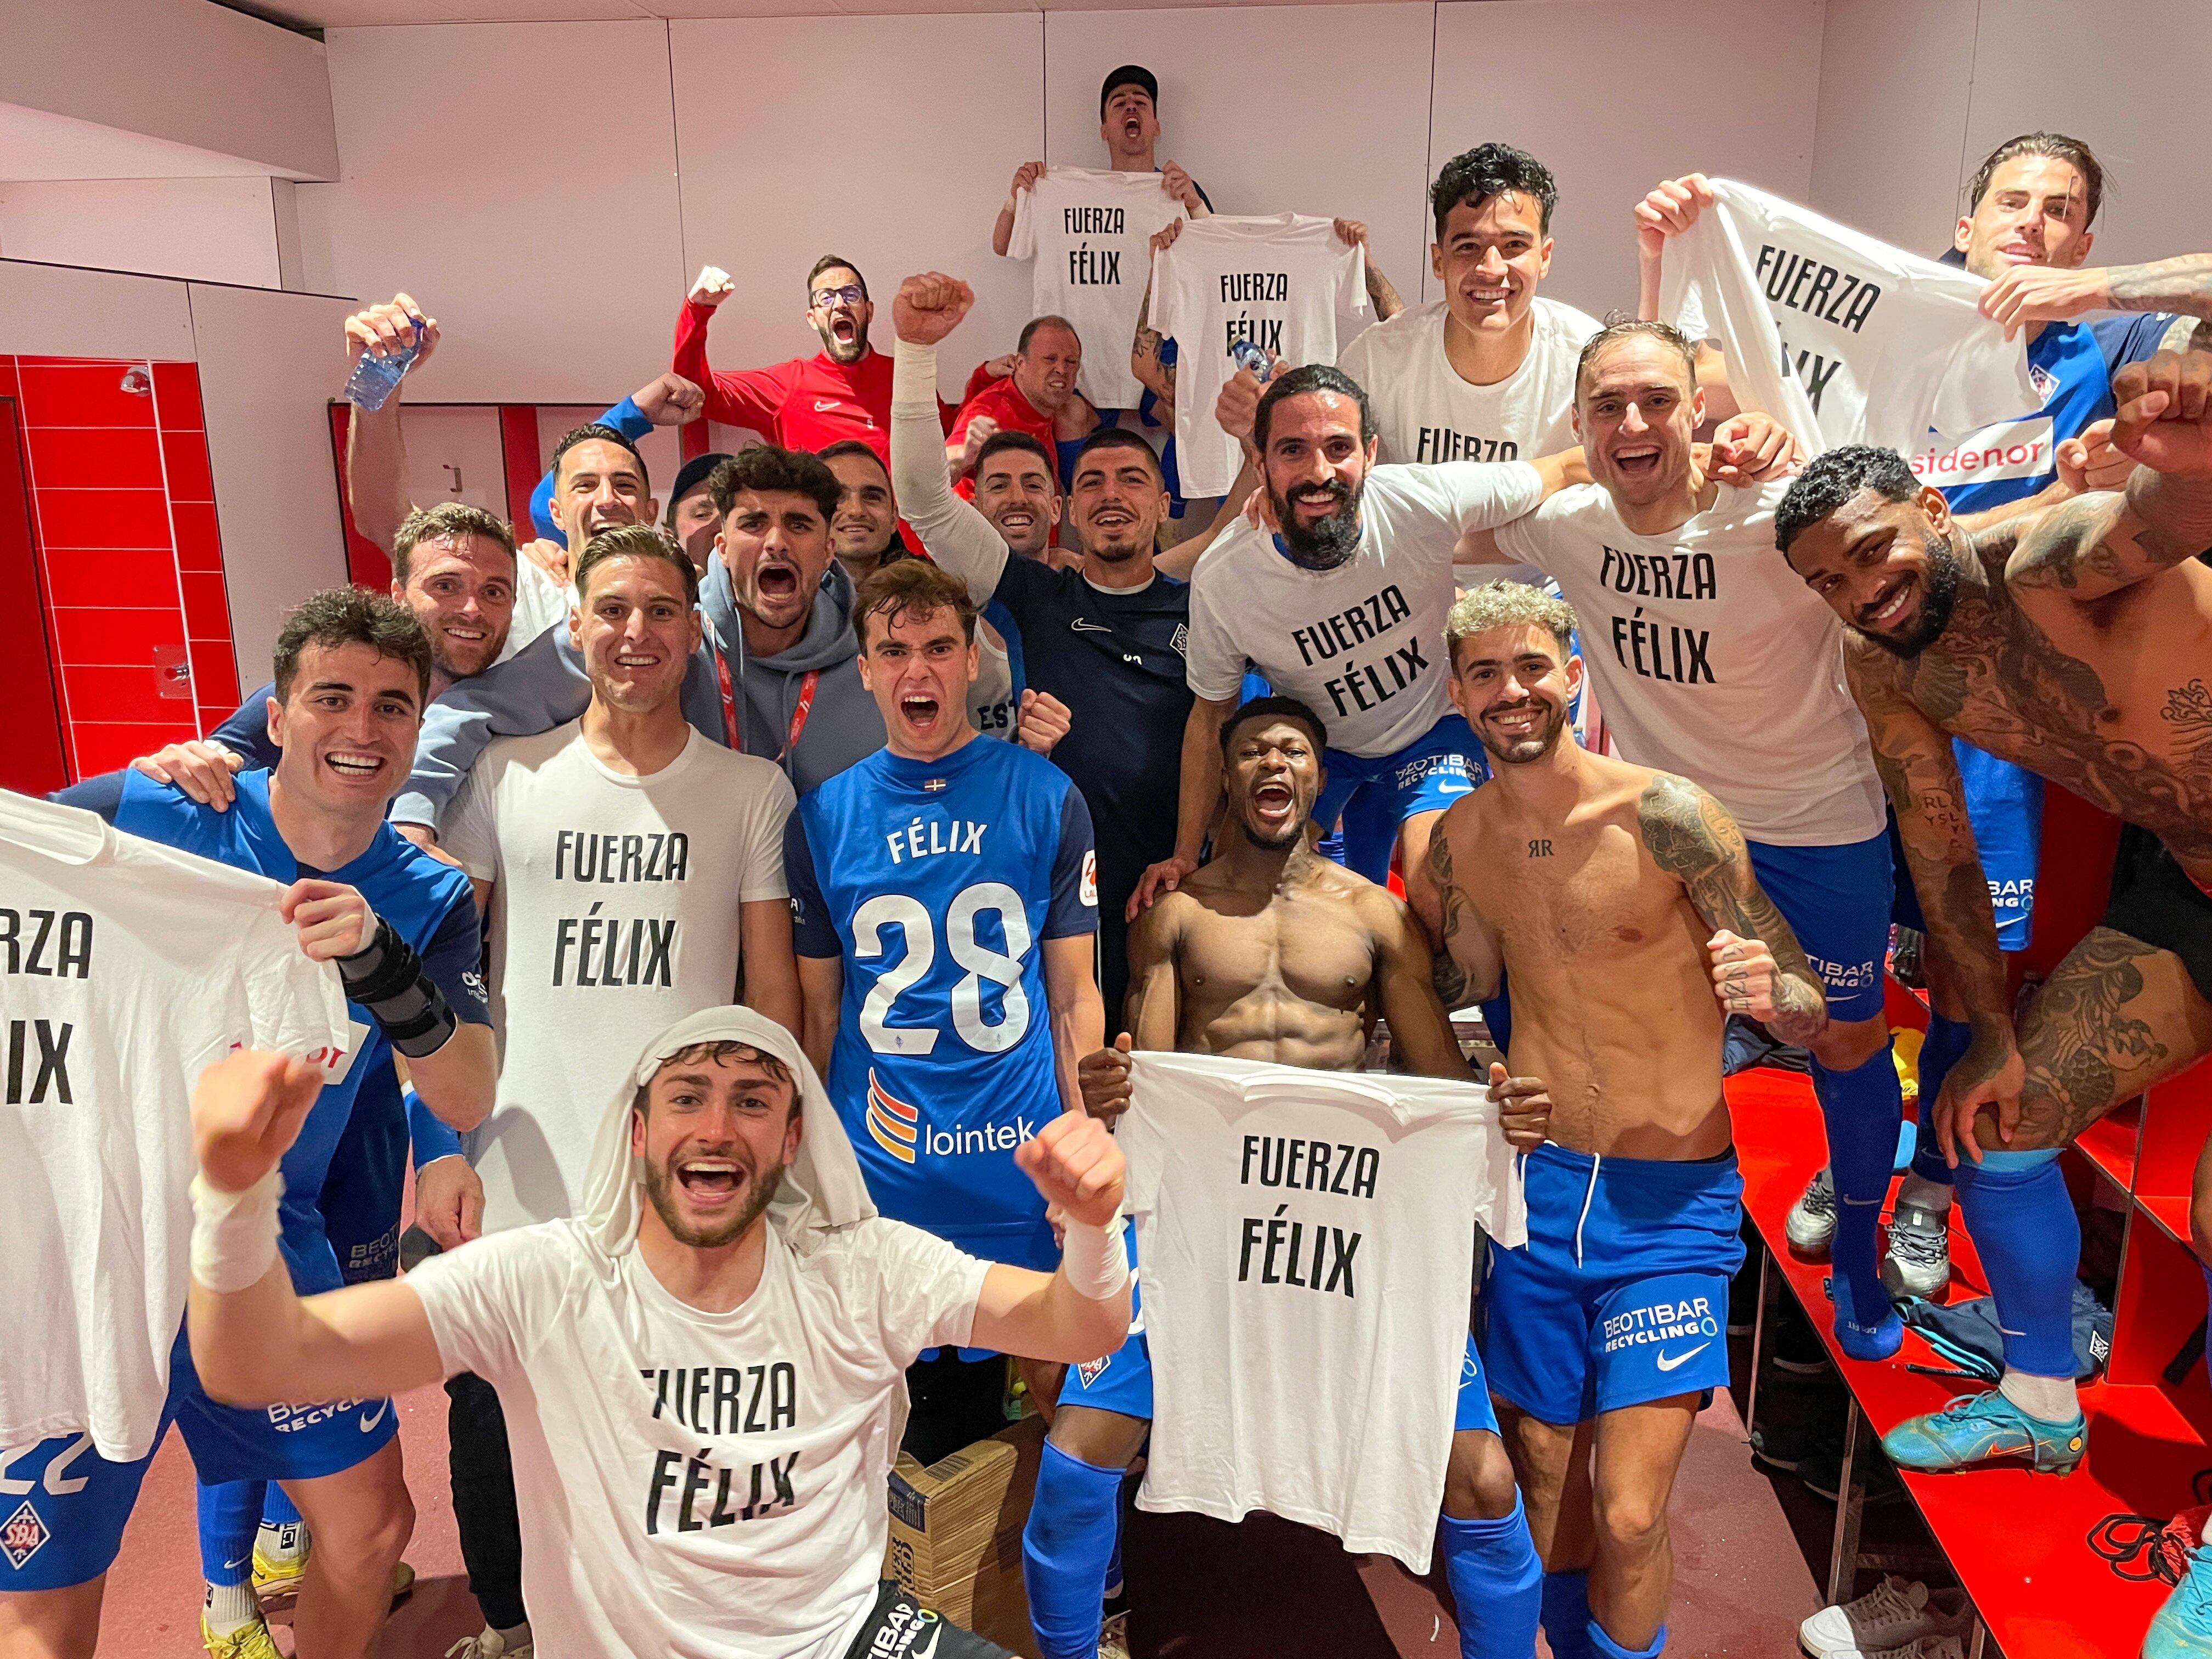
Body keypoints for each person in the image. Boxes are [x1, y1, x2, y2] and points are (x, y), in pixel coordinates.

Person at [1635, 134, 2208, 1300]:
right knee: (1918, 977)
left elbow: (2155, 503)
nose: (2034, 226)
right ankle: (1878, 1164)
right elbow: (1723, 406)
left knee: (1973, 980)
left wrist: (2113, 311)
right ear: (1966, 221)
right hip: (1918, 706)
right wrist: (1674, 269)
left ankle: (1928, 1194)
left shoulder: (2099, 376)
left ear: (2085, 243)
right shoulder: (1886, 341)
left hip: (2038, 684)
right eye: (2013, 202)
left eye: (2063, 214)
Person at [178, 1002, 1133, 1659]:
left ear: (792, 1139)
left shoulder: (866, 1265)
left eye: (752, 1100)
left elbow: (1082, 1317)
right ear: (638, 1132)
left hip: (837, 1637)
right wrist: (231, 1192)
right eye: (687, 1096)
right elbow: (253, 1357)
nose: (716, 1125)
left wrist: (1092, 1224)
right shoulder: (543, 1279)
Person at [1769, 355, 2211, 1542]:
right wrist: (1995, 1037)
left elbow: (2166, 516)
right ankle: (2038, 1401)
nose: (1861, 593)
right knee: (1998, 1122)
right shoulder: (1886, 664)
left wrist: (2192, 453)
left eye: (1871, 552)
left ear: (1930, 507)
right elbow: (1945, 854)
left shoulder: (2056, 562)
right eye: (1828, 583)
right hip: (2194, 888)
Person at [16, 589, 496, 1659]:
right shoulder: (159, 812)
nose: (363, 730)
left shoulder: (426, 893)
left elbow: (466, 1093)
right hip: (88, 1247)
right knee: (45, 1619)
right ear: (275, 717)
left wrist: (383, 965)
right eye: (333, 698)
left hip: (261, 1245)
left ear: (420, 729)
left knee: (371, 1534)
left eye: (391, 707)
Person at [1050, 695, 1555, 1659]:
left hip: (1348, 1224)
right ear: (1229, 777)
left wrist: (1499, 1114)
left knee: (1485, 1481)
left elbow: (1437, 1084)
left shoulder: (1373, 913)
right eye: (1251, 752)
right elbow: (1142, 1080)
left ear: (1319, 776)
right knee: (1076, 1459)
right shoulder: (1177, 912)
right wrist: (1112, 1086)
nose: (1272, 764)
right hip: (1204, 1228)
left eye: (1290, 750)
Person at [1457, 319, 1905, 1360]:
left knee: (1841, 1035)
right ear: (1577, 425)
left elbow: (1904, 536)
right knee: (1613, 1010)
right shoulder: (1567, 524)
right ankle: (1621, 1243)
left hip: (1818, 823)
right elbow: (1431, 528)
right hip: (1668, 835)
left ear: (1697, 409)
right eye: (1607, 406)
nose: (1633, 423)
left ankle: (1855, 1257)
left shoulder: (1771, 514)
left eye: (1656, 400)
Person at [410, 523, 800, 1658]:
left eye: (662, 611)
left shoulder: (750, 791)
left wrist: (773, 1164)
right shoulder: (504, 778)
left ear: (695, 630)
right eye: (613, 611)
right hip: (515, 1161)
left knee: (672, 1426)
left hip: (680, 1179)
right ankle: (514, 1627)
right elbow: (447, 969)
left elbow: (769, 1003)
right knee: (496, 1425)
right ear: (574, 626)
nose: (637, 634)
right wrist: (440, 1136)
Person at [1421, 580, 1826, 1659]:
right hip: (1542, 1194)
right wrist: (1486, 1069)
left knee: (1633, 1511)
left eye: (1531, 667)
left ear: (1571, 673)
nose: (1513, 691)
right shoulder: (1459, 843)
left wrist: (1764, 989)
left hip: (1671, 1204)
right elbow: (1463, 990)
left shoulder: (1668, 813)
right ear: (1459, 693)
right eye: (1486, 674)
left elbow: (1805, 1001)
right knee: (1546, 1486)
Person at [786, 559, 1105, 1462]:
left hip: (1020, 1157)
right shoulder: (821, 815)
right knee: (868, 1394)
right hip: (884, 1162)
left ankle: (1084, 1582)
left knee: (1061, 1373)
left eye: (937, 648)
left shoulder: (1047, 794)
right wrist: (808, 1166)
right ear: (865, 669)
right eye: (894, 651)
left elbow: (1074, 995)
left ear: (973, 659)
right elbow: (816, 1012)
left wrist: (1084, 1154)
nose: (916, 671)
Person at [892, 274, 1195, 1031]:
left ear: (1163, 506)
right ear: (1069, 506)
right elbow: (925, 500)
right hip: (1057, 889)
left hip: (1175, 887)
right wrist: (915, 353)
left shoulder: (1206, 610)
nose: (1111, 492)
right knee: (1078, 1073)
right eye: (1091, 480)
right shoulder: (1034, 595)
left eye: (1133, 477)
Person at [1144, 363, 1573, 896]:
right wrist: (1186, 854)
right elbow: (1211, 715)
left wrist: (1677, 488)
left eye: (1338, 448)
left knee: (1436, 884)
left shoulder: (1419, 497)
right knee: (1239, 886)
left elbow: (1565, 469)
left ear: (1370, 454)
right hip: (1327, 751)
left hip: (1433, 731)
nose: (1318, 470)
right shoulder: (1225, 575)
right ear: (1261, 463)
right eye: (1292, 450)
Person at [133, 502, 521, 801]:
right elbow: (217, 762)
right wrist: (188, 767)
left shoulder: (526, 710)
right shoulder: (315, 696)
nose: (472, 610)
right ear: (399, 596)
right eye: (446, 586)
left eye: (493, 592)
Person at [1338, 144, 1601, 472]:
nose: (1491, 269)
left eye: (1514, 245)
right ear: (1438, 261)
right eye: (1468, 247)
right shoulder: (1375, 361)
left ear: (1544, 258)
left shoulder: (1590, 365)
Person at [674, 256, 955, 467]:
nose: (839, 304)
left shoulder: (906, 377)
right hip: (817, 540)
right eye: (826, 298)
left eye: (851, 294)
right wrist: (697, 310)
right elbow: (696, 393)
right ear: (812, 318)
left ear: (869, 311)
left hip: (900, 539)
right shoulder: (788, 386)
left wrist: (985, 379)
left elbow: (952, 443)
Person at [991, 64, 1211, 260]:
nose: (1131, 106)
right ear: (1104, 130)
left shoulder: (1183, 191)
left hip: (1159, 307)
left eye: (1141, 101)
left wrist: (1195, 205)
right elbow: (1003, 246)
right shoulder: (1078, 194)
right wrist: (1016, 197)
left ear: (1156, 126)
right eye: (1119, 103)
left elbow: (1216, 260)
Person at [947, 316, 1100, 486]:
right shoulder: (991, 414)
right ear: (1020, 363)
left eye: (1071, 362)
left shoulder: (1050, 403)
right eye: (1050, 359)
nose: (1062, 369)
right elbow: (947, 466)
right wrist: (960, 459)